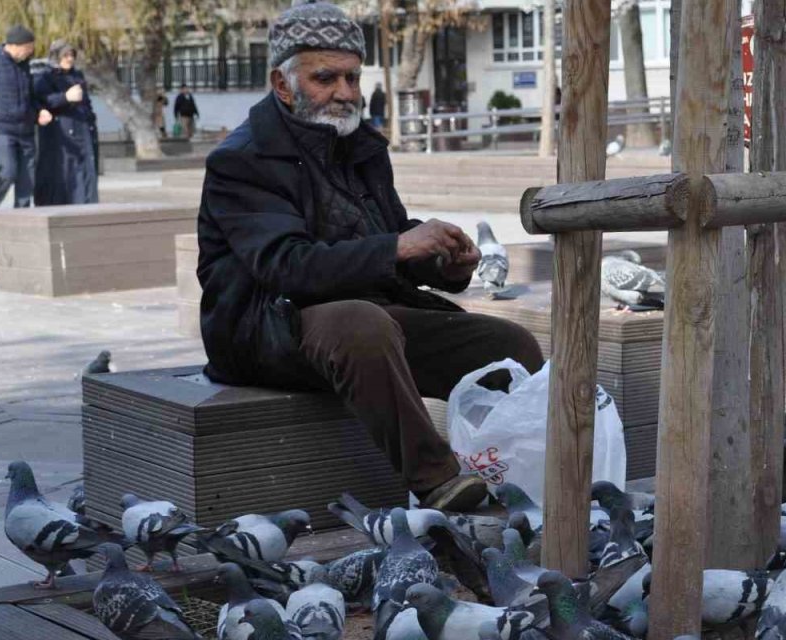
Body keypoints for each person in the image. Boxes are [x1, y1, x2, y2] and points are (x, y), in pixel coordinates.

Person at [197, 2, 543, 512]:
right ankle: (441, 481)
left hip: (364, 311)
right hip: (264, 326)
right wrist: (400, 245)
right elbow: (285, 266)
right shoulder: (242, 160)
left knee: (505, 345)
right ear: (282, 83)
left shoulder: (359, 145)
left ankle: (522, 465)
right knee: (361, 325)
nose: (344, 92)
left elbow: (385, 235)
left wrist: (439, 262)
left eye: (352, 77)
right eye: (325, 78)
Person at [0, 25, 52, 209]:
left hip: (26, 129)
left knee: (27, 178)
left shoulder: (24, 65)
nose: (30, 52)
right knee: (8, 171)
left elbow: (30, 96)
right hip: (1, 129)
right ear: (15, 45)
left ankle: (22, 215)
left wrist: (39, 111)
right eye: (28, 48)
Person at [33, 41, 98, 205]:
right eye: (65, 56)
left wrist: (90, 119)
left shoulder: (77, 76)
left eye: (71, 56)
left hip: (81, 127)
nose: (69, 59)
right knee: (63, 169)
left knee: (83, 169)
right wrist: (65, 98)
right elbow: (41, 101)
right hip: (59, 131)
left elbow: (85, 102)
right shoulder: (45, 77)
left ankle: (85, 203)